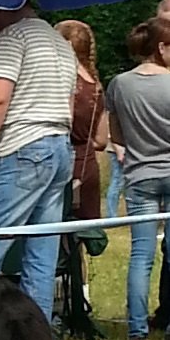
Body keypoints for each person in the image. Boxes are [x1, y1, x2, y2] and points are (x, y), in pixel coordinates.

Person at [0, 2, 76, 323]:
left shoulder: (13, 36)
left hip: (24, 148)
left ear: (1, 10)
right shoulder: (60, 43)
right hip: (59, 146)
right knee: (42, 255)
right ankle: (37, 336)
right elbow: (69, 101)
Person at [105, 17, 170, 340]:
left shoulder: (118, 84)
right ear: (161, 47)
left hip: (139, 173)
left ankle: (136, 330)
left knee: (141, 254)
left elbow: (116, 135)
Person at [54, 20, 107, 220]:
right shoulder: (96, 85)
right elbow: (102, 140)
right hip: (87, 164)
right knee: (80, 235)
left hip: (61, 162)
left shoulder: (62, 79)